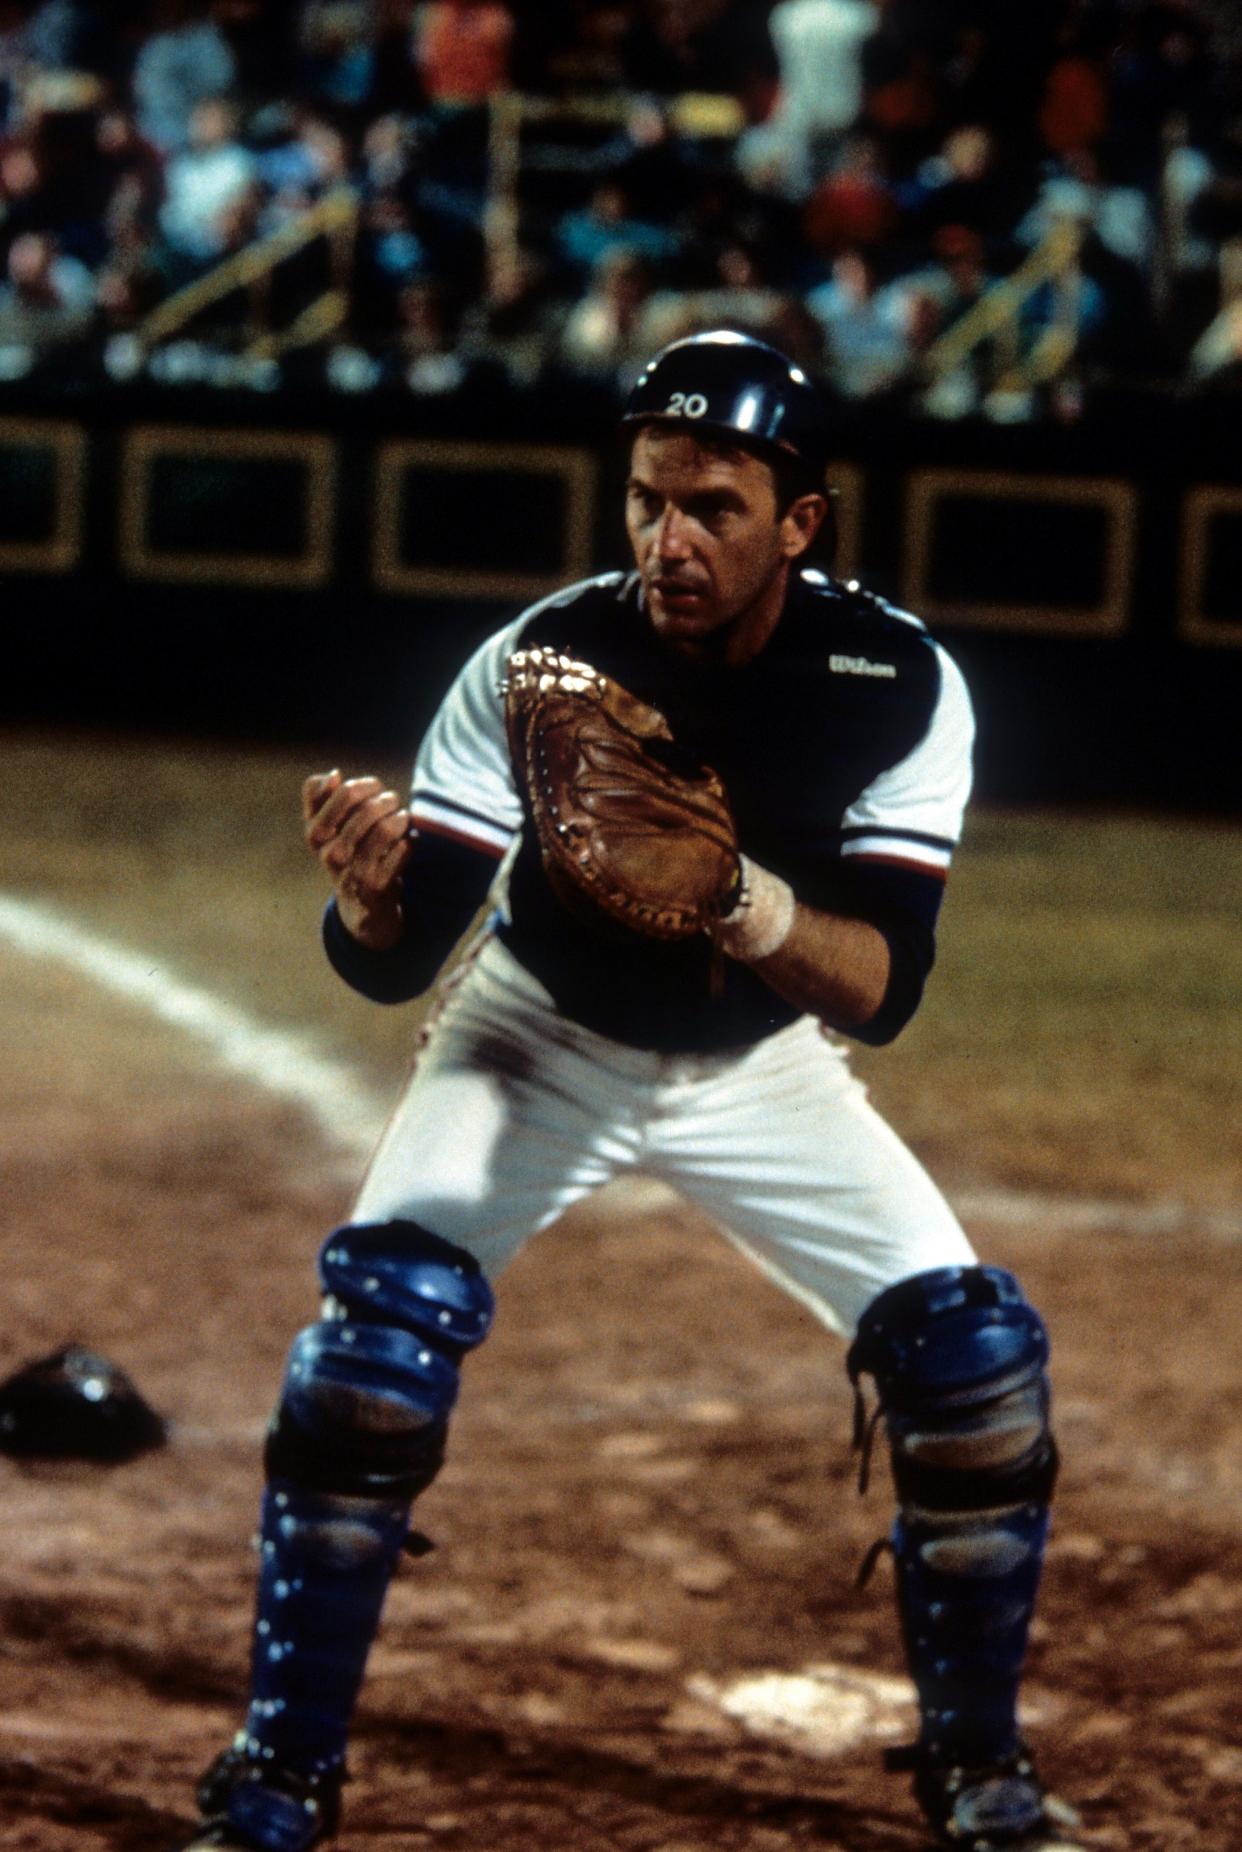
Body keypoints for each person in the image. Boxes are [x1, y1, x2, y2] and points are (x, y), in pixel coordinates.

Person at [171, 330, 1081, 1852]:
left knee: (975, 1372)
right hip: (537, 1035)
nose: (669, 539)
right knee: (369, 1360)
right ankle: (278, 1772)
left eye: (712, 507)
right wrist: (374, 906)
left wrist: (738, 902)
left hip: (756, 1066)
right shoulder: (544, 660)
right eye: (647, 500)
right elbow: (398, 963)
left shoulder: (893, 683)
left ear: (800, 520)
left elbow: (886, 988)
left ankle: (978, 1767)